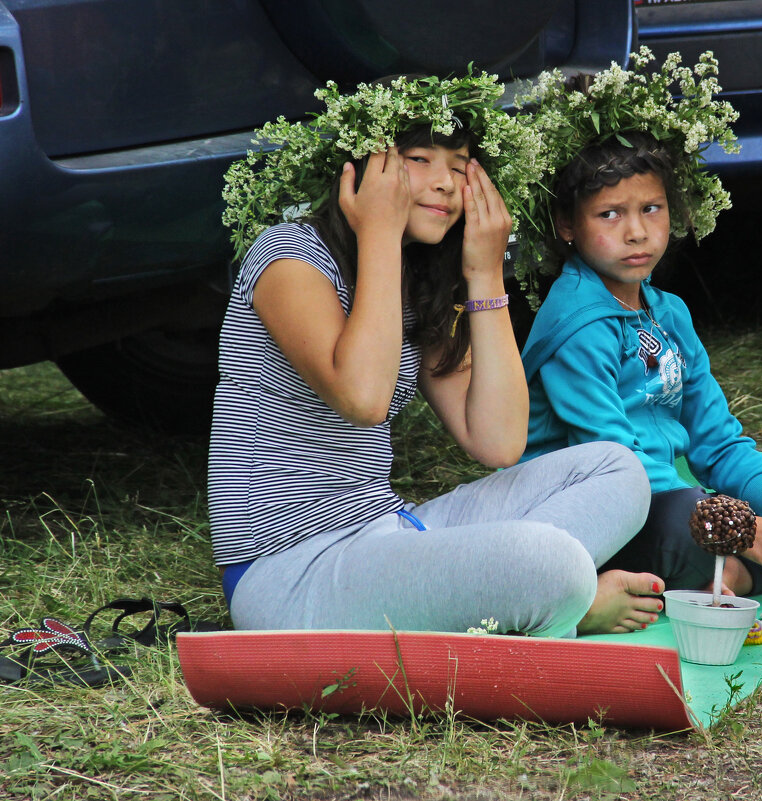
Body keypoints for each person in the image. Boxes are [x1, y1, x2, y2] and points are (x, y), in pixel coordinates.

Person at [209, 74, 662, 638]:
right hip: (292, 571)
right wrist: (377, 230)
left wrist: (483, 272)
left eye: (460, 162)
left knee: (618, 470)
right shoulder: (288, 257)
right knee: (552, 562)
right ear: (359, 166)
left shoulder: (416, 276)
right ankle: (560, 594)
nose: (446, 183)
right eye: (419, 157)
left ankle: (525, 592)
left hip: (392, 533)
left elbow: (497, 442)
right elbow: (363, 397)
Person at [516, 50, 762, 597]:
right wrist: (733, 526)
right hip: (602, 511)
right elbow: (615, 469)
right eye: (610, 214)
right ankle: (724, 569)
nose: (636, 232)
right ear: (565, 224)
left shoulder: (669, 312)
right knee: (683, 514)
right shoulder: (577, 325)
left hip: (674, 505)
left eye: (650, 209)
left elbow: (716, 439)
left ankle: (730, 574)